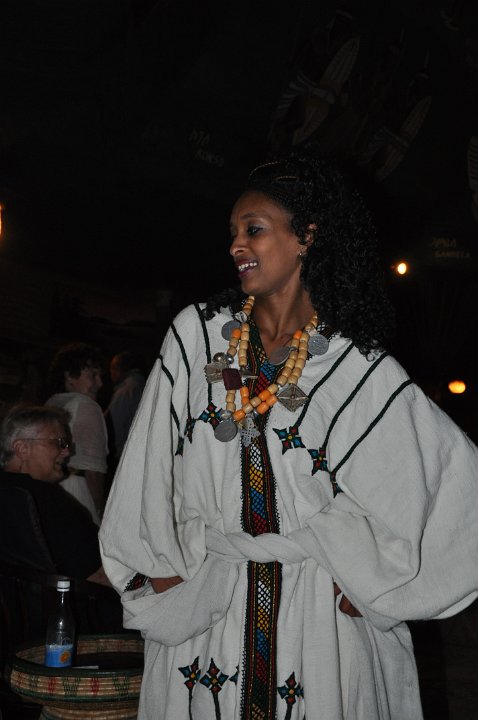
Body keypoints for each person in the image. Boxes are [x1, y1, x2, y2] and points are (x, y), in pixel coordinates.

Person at [99, 152, 478, 720]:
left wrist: (383, 582)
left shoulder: (353, 365)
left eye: (253, 229)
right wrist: (154, 560)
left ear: (306, 237)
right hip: (207, 599)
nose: (236, 245)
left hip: (315, 614)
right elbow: (149, 461)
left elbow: (449, 481)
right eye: (232, 232)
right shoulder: (197, 336)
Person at [0, 404, 109, 584]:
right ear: (22, 449)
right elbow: (99, 575)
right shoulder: (46, 498)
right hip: (70, 598)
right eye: (58, 443)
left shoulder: (9, 494)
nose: (67, 452)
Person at [46, 342, 108, 525]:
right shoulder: (87, 406)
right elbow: (94, 471)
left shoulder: (51, 403)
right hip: (78, 492)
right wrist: (99, 510)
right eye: (93, 375)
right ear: (70, 376)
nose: (100, 383)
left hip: (52, 489)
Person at [105, 351, 146, 463]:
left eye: (113, 368)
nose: (110, 373)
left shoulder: (125, 392)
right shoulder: (145, 386)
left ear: (119, 369)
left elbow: (114, 424)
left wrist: (117, 453)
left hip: (125, 453)